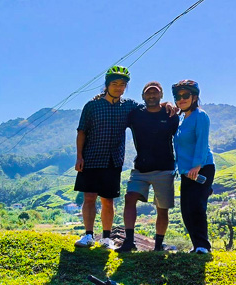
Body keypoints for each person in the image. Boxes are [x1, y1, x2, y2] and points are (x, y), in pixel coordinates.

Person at [74, 66, 175, 248]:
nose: (119, 88)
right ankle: (88, 235)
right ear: (106, 85)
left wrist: (167, 103)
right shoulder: (92, 106)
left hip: (113, 160)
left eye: (122, 85)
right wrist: (79, 156)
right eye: (115, 84)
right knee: (89, 197)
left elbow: (150, 105)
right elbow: (82, 131)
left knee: (108, 200)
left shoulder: (129, 106)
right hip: (91, 158)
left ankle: (105, 238)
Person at [115, 81, 178, 253]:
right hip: (140, 169)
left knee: (162, 208)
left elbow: (180, 140)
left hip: (164, 168)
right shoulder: (135, 115)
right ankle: (129, 242)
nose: (152, 96)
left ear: (161, 95)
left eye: (155, 93)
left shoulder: (171, 115)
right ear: (143, 96)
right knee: (129, 198)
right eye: (148, 93)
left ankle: (158, 246)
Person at [172, 79, 215, 254]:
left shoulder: (200, 116)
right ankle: (196, 244)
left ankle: (203, 246)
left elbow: (202, 142)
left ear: (194, 97)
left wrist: (196, 165)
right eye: (178, 96)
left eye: (185, 95)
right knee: (186, 209)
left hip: (202, 167)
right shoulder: (181, 120)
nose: (181, 99)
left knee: (197, 206)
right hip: (185, 171)